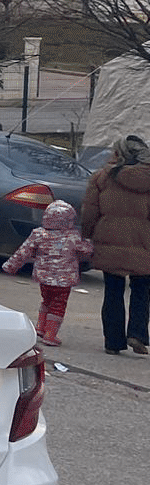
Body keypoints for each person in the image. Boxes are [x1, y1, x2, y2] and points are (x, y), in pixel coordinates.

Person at [80, 134, 150, 356]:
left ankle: (113, 341)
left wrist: (87, 234)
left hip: (109, 239)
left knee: (113, 290)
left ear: (119, 154)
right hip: (144, 242)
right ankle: (137, 334)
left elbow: (90, 211)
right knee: (142, 290)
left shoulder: (102, 177)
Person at [3, 200, 96, 348]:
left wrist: (11, 266)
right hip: (64, 280)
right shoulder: (73, 236)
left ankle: (40, 327)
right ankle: (50, 335)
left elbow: (23, 251)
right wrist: (91, 243)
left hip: (43, 278)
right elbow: (87, 250)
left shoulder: (38, 234)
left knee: (46, 300)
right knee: (58, 305)